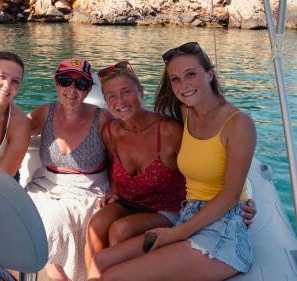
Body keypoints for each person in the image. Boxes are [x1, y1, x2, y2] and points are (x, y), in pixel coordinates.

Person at [88, 42, 256, 281]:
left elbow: (230, 194)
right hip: (190, 216)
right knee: (100, 261)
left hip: (223, 229)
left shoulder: (239, 123)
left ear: (209, 74)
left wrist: (177, 233)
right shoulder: (187, 112)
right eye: (175, 79)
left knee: (113, 276)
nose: (184, 85)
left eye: (191, 74)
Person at [84, 60, 186, 275]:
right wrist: (112, 193)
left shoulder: (169, 130)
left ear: (141, 91)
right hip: (129, 202)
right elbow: (112, 166)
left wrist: (242, 199)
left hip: (169, 208)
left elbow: (200, 169)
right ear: (105, 100)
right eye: (111, 96)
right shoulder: (110, 133)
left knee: (121, 230)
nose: (120, 101)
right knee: (97, 224)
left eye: (126, 92)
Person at [26, 57, 113, 281]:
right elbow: (16, 132)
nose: (72, 89)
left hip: (87, 190)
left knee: (51, 224)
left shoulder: (102, 119)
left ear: (87, 90)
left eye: (81, 84)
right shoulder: (44, 113)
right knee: (23, 216)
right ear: (57, 83)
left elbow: (120, 158)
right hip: (44, 186)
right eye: (65, 81)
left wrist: (116, 193)